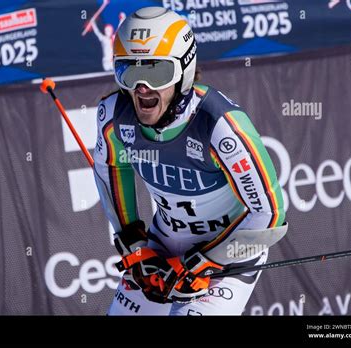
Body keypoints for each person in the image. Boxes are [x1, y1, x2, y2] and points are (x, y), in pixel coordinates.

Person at [93, 6, 288, 315]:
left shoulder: (218, 124)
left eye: (156, 71)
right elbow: (111, 167)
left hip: (229, 254)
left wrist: (208, 261)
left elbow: (271, 217)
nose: (141, 87)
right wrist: (133, 242)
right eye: (129, 69)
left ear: (183, 71)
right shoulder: (114, 117)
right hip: (163, 248)